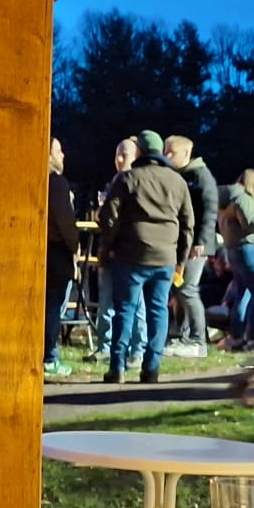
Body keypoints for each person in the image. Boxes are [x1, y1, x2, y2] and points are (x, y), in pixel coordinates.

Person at [99, 129, 194, 384]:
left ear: (139, 151)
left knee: (125, 310)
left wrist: (108, 246)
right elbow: (188, 225)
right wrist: (181, 260)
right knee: (158, 310)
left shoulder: (128, 178)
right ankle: (151, 368)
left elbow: (108, 216)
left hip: (131, 254)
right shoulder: (178, 182)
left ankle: (117, 368)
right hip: (165, 257)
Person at [162, 134, 219, 357]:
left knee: (187, 289)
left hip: (195, 244)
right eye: (165, 151)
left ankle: (197, 339)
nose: (167, 155)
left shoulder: (201, 176)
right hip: (182, 242)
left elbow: (210, 209)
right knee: (179, 289)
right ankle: (183, 335)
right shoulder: (180, 175)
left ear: (186, 153)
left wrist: (201, 241)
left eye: (171, 152)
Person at [92, 137, 145, 370]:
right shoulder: (113, 183)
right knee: (107, 301)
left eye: (125, 154)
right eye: (117, 154)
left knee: (136, 303)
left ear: (137, 157)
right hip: (110, 250)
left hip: (130, 252)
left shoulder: (139, 182)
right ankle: (105, 347)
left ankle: (137, 350)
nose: (119, 159)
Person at [221, 169, 254, 350]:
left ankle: (236, 337)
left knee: (242, 294)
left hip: (234, 250)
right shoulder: (243, 198)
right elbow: (251, 223)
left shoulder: (228, 201)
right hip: (248, 250)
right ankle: (253, 338)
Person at [43, 138, 77, 377]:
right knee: (53, 307)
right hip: (56, 251)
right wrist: (74, 245)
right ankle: (49, 356)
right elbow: (65, 220)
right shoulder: (56, 183)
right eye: (58, 150)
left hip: (36, 249)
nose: (63, 155)